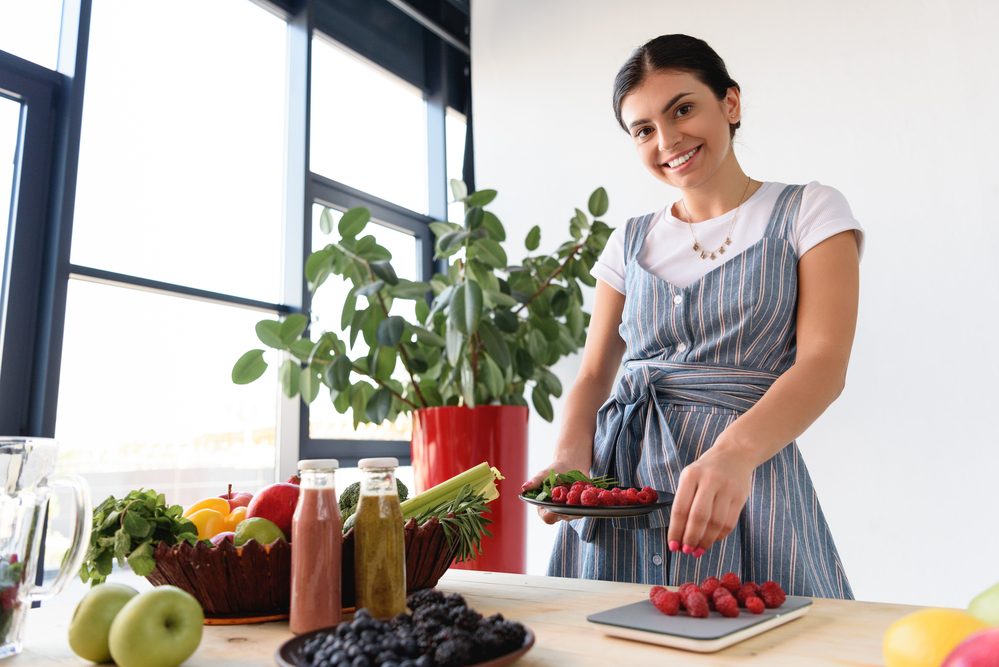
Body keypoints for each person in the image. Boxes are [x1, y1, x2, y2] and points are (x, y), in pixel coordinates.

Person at [522, 34, 863, 598]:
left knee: (761, 638)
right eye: (644, 129)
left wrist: (732, 454)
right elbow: (591, 377)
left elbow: (824, 364)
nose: (668, 139)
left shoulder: (810, 210)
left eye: (683, 109)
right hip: (622, 486)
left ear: (729, 104)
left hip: (747, 486)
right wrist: (567, 465)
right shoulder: (628, 241)